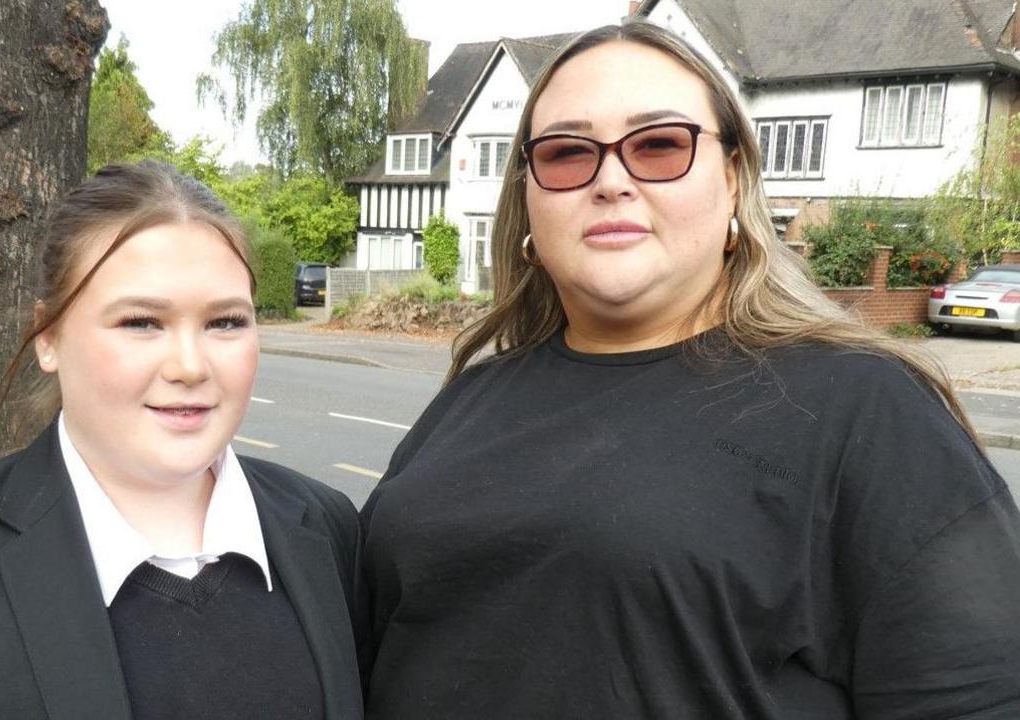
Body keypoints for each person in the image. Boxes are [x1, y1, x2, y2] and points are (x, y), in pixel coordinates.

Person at [359, 21, 1020, 719]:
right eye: (565, 154)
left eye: (660, 145)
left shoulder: (863, 408)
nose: (611, 180)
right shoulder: (472, 395)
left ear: (733, 180)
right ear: (528, 198)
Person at [0, 162, 364, 719]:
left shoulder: (327, 529)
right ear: (48, 335)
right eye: (141, 321)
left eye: (225, 323)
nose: (191, 366)